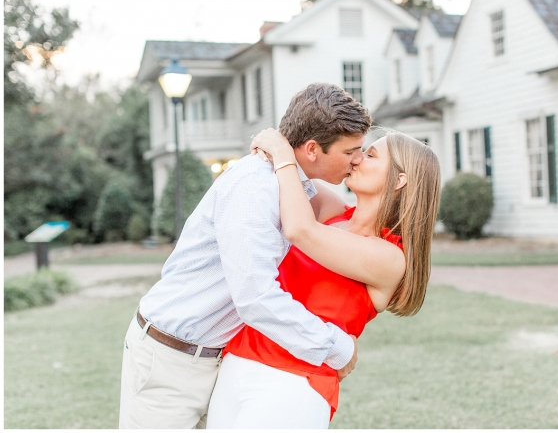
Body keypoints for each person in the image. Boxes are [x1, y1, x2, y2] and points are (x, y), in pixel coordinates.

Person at [118, 83, 372, 429]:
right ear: (312, 149)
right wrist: (334, 347)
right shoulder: (255, 187)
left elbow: (347, 219)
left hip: (213, 358)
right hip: (169, 359)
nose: (358, 159)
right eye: (351, 151)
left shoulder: (288, 183)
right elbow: (256, 296)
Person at [206, 128, 441, 428]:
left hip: (295, 384)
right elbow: (300, 167)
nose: (356, 159)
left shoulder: (390, 258)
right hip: (237, 363)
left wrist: (280, 152)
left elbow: (300, 229)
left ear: (399, 180)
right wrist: (273, 145)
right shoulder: (332, 212)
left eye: (370, 155)